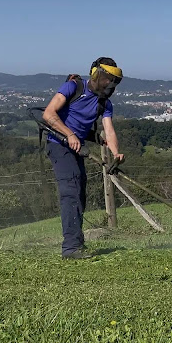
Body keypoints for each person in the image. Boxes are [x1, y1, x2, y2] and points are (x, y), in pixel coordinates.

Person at [42, 57, 124, 259]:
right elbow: (49, 114)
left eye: (112, 81)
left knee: (79, 193)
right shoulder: (73, 87)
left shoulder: (105, 104)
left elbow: (109, 131)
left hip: (77, 147)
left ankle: (76, 243)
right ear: (95, 74)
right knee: (71, 191)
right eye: (106, 78)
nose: (109, 84)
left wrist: (116, 153)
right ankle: (70, 248)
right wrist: (69, 134)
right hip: (58, 144)